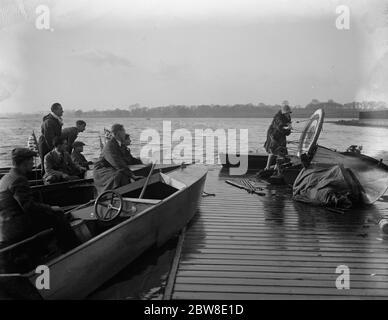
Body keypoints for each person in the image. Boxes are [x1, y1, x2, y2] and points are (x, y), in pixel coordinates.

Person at [0, 148, 79, 251]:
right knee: (57, 216)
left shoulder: (6, 178)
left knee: (47, 215)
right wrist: (50, 208)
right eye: (31, 160)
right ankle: (72, 249)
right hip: (17, 228)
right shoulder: (18, 179)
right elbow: (29, 207)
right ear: (24, 162)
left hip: (6, 227)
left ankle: (47, 249)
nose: (33, 163)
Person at [93, 124, 143, 194]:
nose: (125, 134)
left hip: (112, 168)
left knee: (140, 171)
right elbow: (117, 163)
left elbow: (130, 160)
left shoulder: (121, 145)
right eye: (124, 132)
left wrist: (144, 161)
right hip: (103, 171)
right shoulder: (110, 146)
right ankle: (116, 196)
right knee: (121, 175)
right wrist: (132, 175)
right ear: (119, 133)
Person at [263, 101, 292, 173]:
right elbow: (279, 127)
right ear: (283, 112)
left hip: (281, 135)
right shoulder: (278, 117)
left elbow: (287, 129)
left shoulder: (288, 118)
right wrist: (286, 128)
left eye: (289, 113)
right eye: (286, 113)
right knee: (272, 151)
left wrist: (288, 129)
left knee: (282, 152)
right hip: (273, 135)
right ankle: (267, 167)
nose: (288, 114)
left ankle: (276, 168)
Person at [38, 103, 64, 170]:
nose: (62, 111)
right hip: (46, 146)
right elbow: (49, 139)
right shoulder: (49, 121)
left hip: (52, 146)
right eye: (60, 109)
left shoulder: (56, 120)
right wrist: (55, 151)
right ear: (54, 110)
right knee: (47, 167)